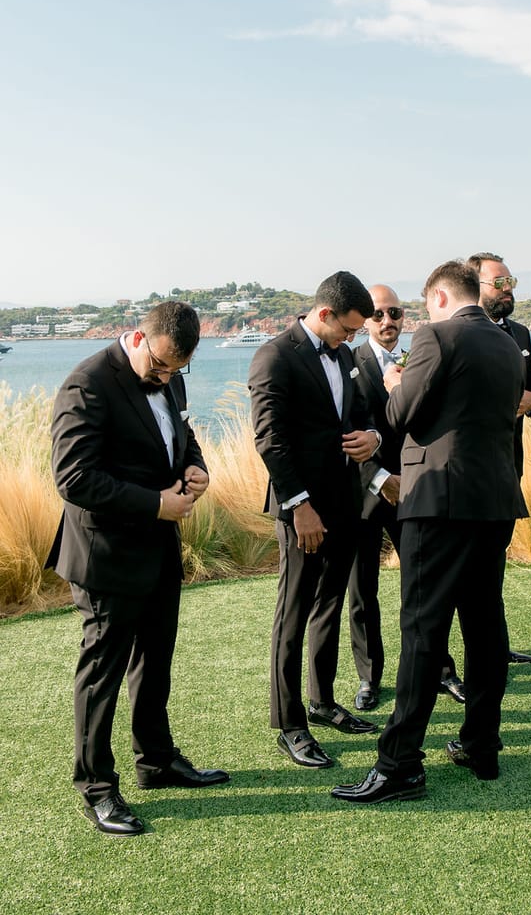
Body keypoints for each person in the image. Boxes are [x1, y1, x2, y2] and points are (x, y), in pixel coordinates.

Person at [331, 260, 526, 804]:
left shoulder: (436, 338)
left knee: (421, 630)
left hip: (438, 502)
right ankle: (481, 744)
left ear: (439, 297)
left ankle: (399, 765)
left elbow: (399, 416)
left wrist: (396, 383)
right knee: (486, 625)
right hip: (495, 501)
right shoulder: (507, 344)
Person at [48, 301, 229, 837]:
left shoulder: (169, 376)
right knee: (101, 674)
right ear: (136, 337)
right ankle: (96, 787)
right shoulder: (86, 385)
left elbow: (181, 435)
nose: (168, 378)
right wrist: (155, 504)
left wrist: (195, 467)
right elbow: (74, 478)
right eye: (161, 366)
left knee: (155, 660)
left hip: (159, 549)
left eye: (178, 370)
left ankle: (156, 761)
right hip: (105, 554)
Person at [248, 271, 381, 770]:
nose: (352, 338)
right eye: (347, 329)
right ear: (324, 314)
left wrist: (372, 439)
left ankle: (322, 702)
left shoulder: (344, 355)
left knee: (330, 604)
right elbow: (270, 439)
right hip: (301, 509)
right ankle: (289, 723)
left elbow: (361, 413)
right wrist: (299, 505)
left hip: (346, 501)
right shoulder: (274, 357)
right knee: (294, 611)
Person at [348, 284, 464, 712]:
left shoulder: (422, 357)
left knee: (425, 587)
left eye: (394, 313)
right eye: (378, 314)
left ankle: (441, 669)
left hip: (415, 490)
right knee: (363, 592)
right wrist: (380, 478)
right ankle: (369, 678)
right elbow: (343, 431)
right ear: (365, 320)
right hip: (365, 493)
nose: (387, 321)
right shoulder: (349, 362)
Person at [467, 251, 531, 665]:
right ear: (474, 287)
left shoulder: (521, 334)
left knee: (495, 560)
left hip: (509, 465)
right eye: (499, 283)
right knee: (465, 567)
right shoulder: (455, 334)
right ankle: (455, 662)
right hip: (467, 469)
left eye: (511, 282)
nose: (508, 290)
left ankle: (494, 647)